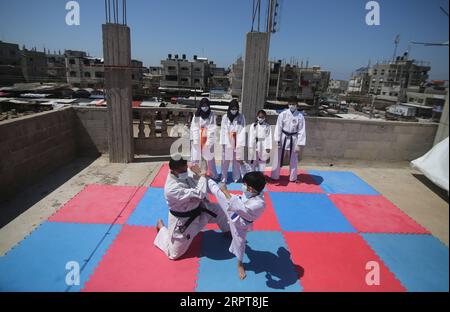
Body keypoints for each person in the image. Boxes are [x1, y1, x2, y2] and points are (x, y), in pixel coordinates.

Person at [154, 156, 229, 260]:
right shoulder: (171, 189)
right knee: (174, 255)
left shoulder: (185, 171)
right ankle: (161, 228)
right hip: (184, 221)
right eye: (182, 170)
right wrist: (202, 176)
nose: (186, 171)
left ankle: (227, 230)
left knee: (220, 211)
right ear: (173, 170)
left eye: (185, 168)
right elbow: (200, 193)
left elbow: (203, 183)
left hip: (200, 210)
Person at [207, 161, 266, 280]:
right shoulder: (254, 187)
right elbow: (249, 173)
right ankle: (205, 177)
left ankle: (240, 264)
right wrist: (242, 164)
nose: (243, 185)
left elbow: (240, 207)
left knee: (239, 243)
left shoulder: (259, 204)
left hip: (240, 223)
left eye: (244, 184)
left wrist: (225, 191)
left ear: (250, 188)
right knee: (217, 192)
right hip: (233, 204)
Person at [270, 97, 306, 182]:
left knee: (294, 158)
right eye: (290, 104)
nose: (291, 106)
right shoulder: (283, 114)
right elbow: (278, 127)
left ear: (297, 105)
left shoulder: (300, 116)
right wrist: (278, 140)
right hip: (283, 137)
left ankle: (293, 177)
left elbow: (301, 130)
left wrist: (299, 144)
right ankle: (275, 176)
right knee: (277, 157)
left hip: (294, 139)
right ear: (288, 105)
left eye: (293, 104)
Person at [190, 98, 219, 180]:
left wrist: (209, 141)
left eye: (206, 106)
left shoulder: (212, 114)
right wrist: (195, 139)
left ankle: (213, 174)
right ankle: (195, 174)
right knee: (195, 156)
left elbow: (212, 127)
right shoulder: (196, 114)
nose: (205, 107)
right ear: (200, 106)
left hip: (208, 136)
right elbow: (194, 127)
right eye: (203, 106)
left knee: (209, 157)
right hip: (198, 136)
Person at [220, 99, 246, 183]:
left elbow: (243, 129)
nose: (234, 110)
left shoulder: (241, 116)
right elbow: (223, 130)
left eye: (236, 108)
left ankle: (236, 177)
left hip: (237, 139)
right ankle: (224, 177)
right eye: (232, 108)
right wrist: (226, 143)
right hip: (227, 139)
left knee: (236, 160)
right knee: (225, 161)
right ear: (229, 108)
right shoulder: (225, 117)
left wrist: (240, 143)